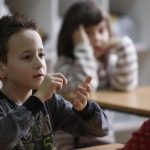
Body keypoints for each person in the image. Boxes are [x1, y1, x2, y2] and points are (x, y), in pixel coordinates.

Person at [0, 14, 110, 150]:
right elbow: (3, 140)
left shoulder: (50, 101)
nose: (39, 63)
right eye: (27, 57)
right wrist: (38, 99)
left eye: (41, 55)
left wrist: (85, 110)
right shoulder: (39, 99)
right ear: (1, 69)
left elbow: (101, 130)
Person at [54, 0, 138, 149]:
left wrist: (123, 44)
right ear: (73, 37)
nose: (97, 38)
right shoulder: (64, 64)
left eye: (101, 31)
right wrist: (83, 48)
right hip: (71, 142)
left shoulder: (107, 63)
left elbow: (125, 84)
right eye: (88, 33)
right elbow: (87, 88)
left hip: (102, 136)